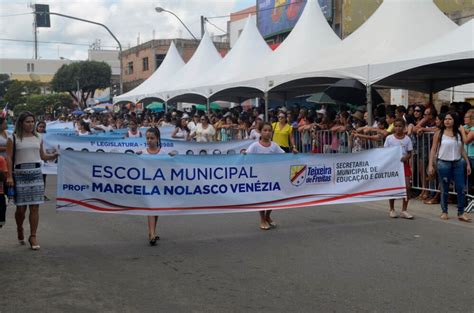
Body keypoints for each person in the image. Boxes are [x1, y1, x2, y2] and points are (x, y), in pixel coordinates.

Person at [6, 112, 58, 250]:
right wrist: (10, 176)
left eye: (32, 121)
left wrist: (54, 155)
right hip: (19, 174)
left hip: (36, 174)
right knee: (21, 209)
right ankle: (19, 227)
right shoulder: (13, 138)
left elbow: (41, 155)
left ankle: (33, 236)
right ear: (21, 123)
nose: (30, 124)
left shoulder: (38, 137)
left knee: (35, 207)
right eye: (27, 122)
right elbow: (9, 158)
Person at [428, 112, 471, 222]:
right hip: (443, 163)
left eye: (450, 119)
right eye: (446, 119)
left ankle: (461, 212)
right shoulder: (439, 133)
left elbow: (462, 149)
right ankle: (444, 211)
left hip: (458, 163)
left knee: (461, 188)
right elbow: (433, 149)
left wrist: (468, 164)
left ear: (454, 120)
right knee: (444, 188)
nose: (447, 121)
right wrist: (430, 165)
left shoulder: (458, 133)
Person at [246, 122, 285, 230]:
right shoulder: (255, 146)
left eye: (269, 131)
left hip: (273, 176)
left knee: (273, 198)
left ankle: (268, 216)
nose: (267, 133)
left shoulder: (274, 145)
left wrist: (294, 153)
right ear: (260, 132)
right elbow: (245, 156)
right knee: (262, 198)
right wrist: (244, 154)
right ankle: (262, 219)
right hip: (259, 177)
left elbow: (284, 156)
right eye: (265, 130)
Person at [137, 127, 163, 246]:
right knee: (151, 208)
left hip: (159, 186)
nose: (149, 140)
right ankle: (152, 234)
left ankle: (152, 231)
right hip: (147, 186)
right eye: (147, 138)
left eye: (152, 138)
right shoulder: (142, 152)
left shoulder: (163, 153)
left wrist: (174, 157)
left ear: (157, 139)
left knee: (156, 209)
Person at [383, 118, 414, 219]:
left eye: (400, 126)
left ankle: (404, 210)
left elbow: (409, 153)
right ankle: (392, 209)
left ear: (404, 127)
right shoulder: (389, 138)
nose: (398, 128)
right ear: (393, 127)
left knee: (407, 187)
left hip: (403, 165)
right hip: (393, 166)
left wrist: (406, 158)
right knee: (393, 187)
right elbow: (385, 152)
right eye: (396, 126)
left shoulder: (407, 139)